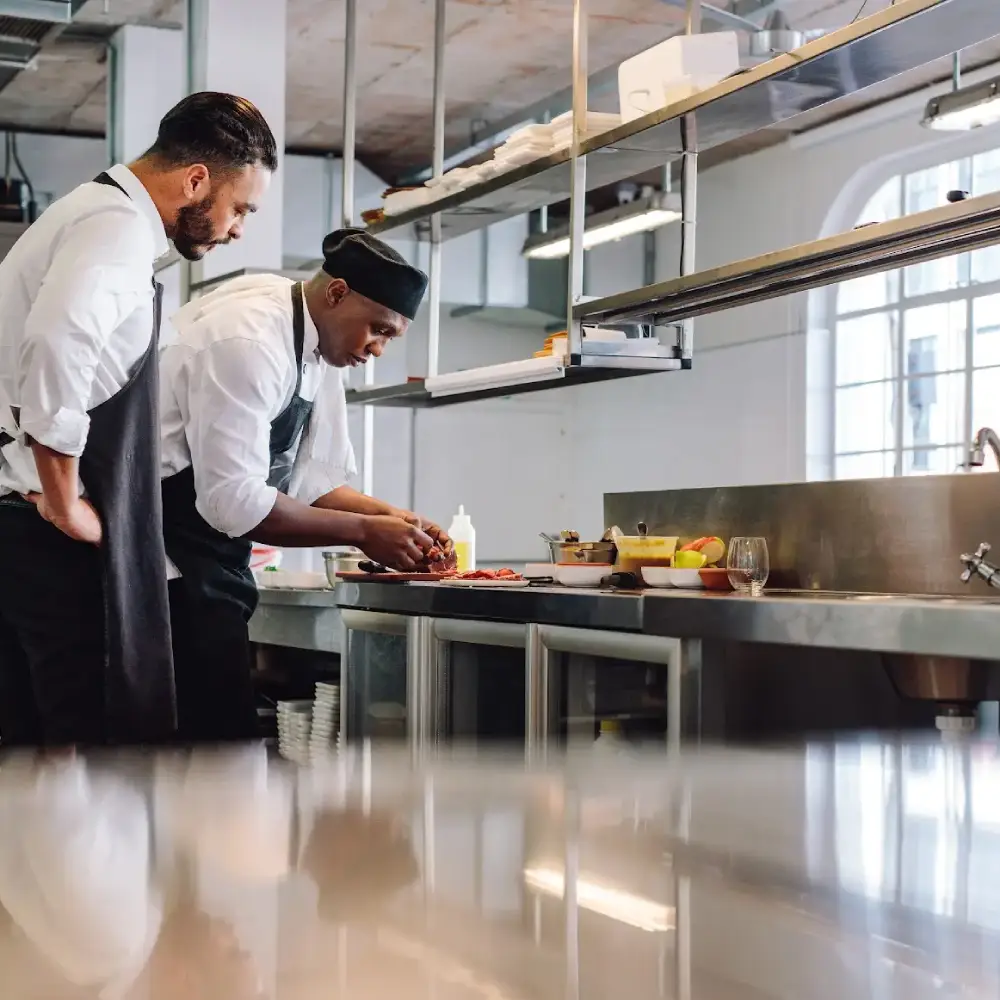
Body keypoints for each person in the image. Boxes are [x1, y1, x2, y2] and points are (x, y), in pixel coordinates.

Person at [0, 92, 278, 748]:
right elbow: (57, 345)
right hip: (39, 532)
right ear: (196, 180)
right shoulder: (116, 227)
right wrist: (66, 501)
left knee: (29, 752)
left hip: (17, 525)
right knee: (85, 750)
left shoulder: (91, 214)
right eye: (241, 208)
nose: (238, 228)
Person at [160, 228, 454, 742]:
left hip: (212, 562)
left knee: (220, 743)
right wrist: (364, 532)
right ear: (337, 293)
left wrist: (392, 519)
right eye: (378, 330)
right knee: (202, 746)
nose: (378, 349)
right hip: (164, 559)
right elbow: (232, 502)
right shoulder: (249, 337)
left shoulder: (321, 347)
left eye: (390, 338)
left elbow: (315, 482)